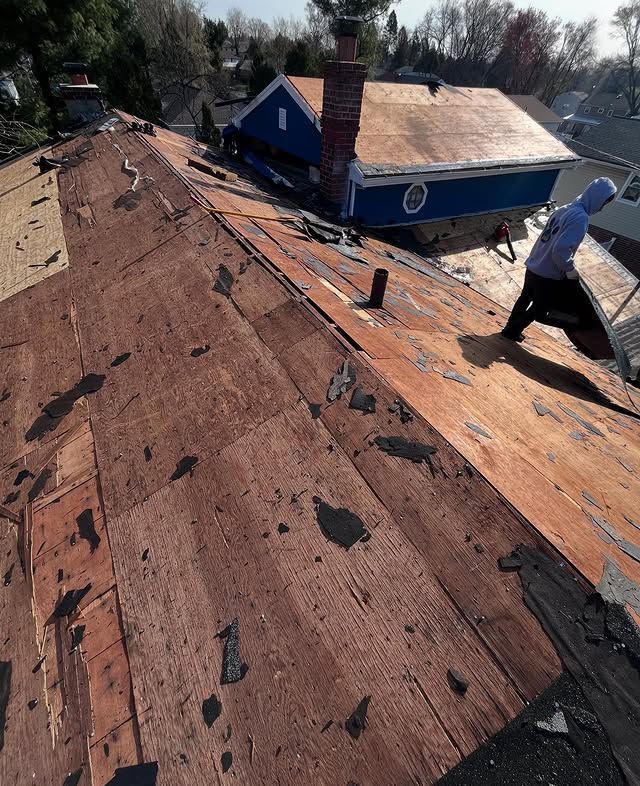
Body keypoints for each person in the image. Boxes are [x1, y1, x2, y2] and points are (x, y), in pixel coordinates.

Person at [501, 177, 617, 341]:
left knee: (524, 298)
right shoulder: (580, 218)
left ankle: (509, 327)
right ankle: (512, 331)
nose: (601, 209)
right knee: (539, 308)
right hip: (547, 273)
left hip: (534, 264)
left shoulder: (565, 209)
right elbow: (560, 250)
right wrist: (569, 269)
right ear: (597, 199)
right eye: (603, 204)